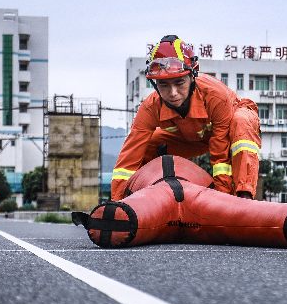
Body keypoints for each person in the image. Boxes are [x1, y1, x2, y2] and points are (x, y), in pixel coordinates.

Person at [111, 35, 261, 202]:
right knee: (148, 143)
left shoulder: (215, 96)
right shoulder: (150, 107)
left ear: (192, 77)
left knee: (240, 122)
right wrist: (118, 203)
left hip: (229, 129)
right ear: (155, 85)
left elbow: (221, 157)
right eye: (164, 85)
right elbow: (129, 158)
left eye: (179, 83)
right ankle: (148, 199)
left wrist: (223, 202)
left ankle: (245, 199)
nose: (173, 93)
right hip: (194, 137)